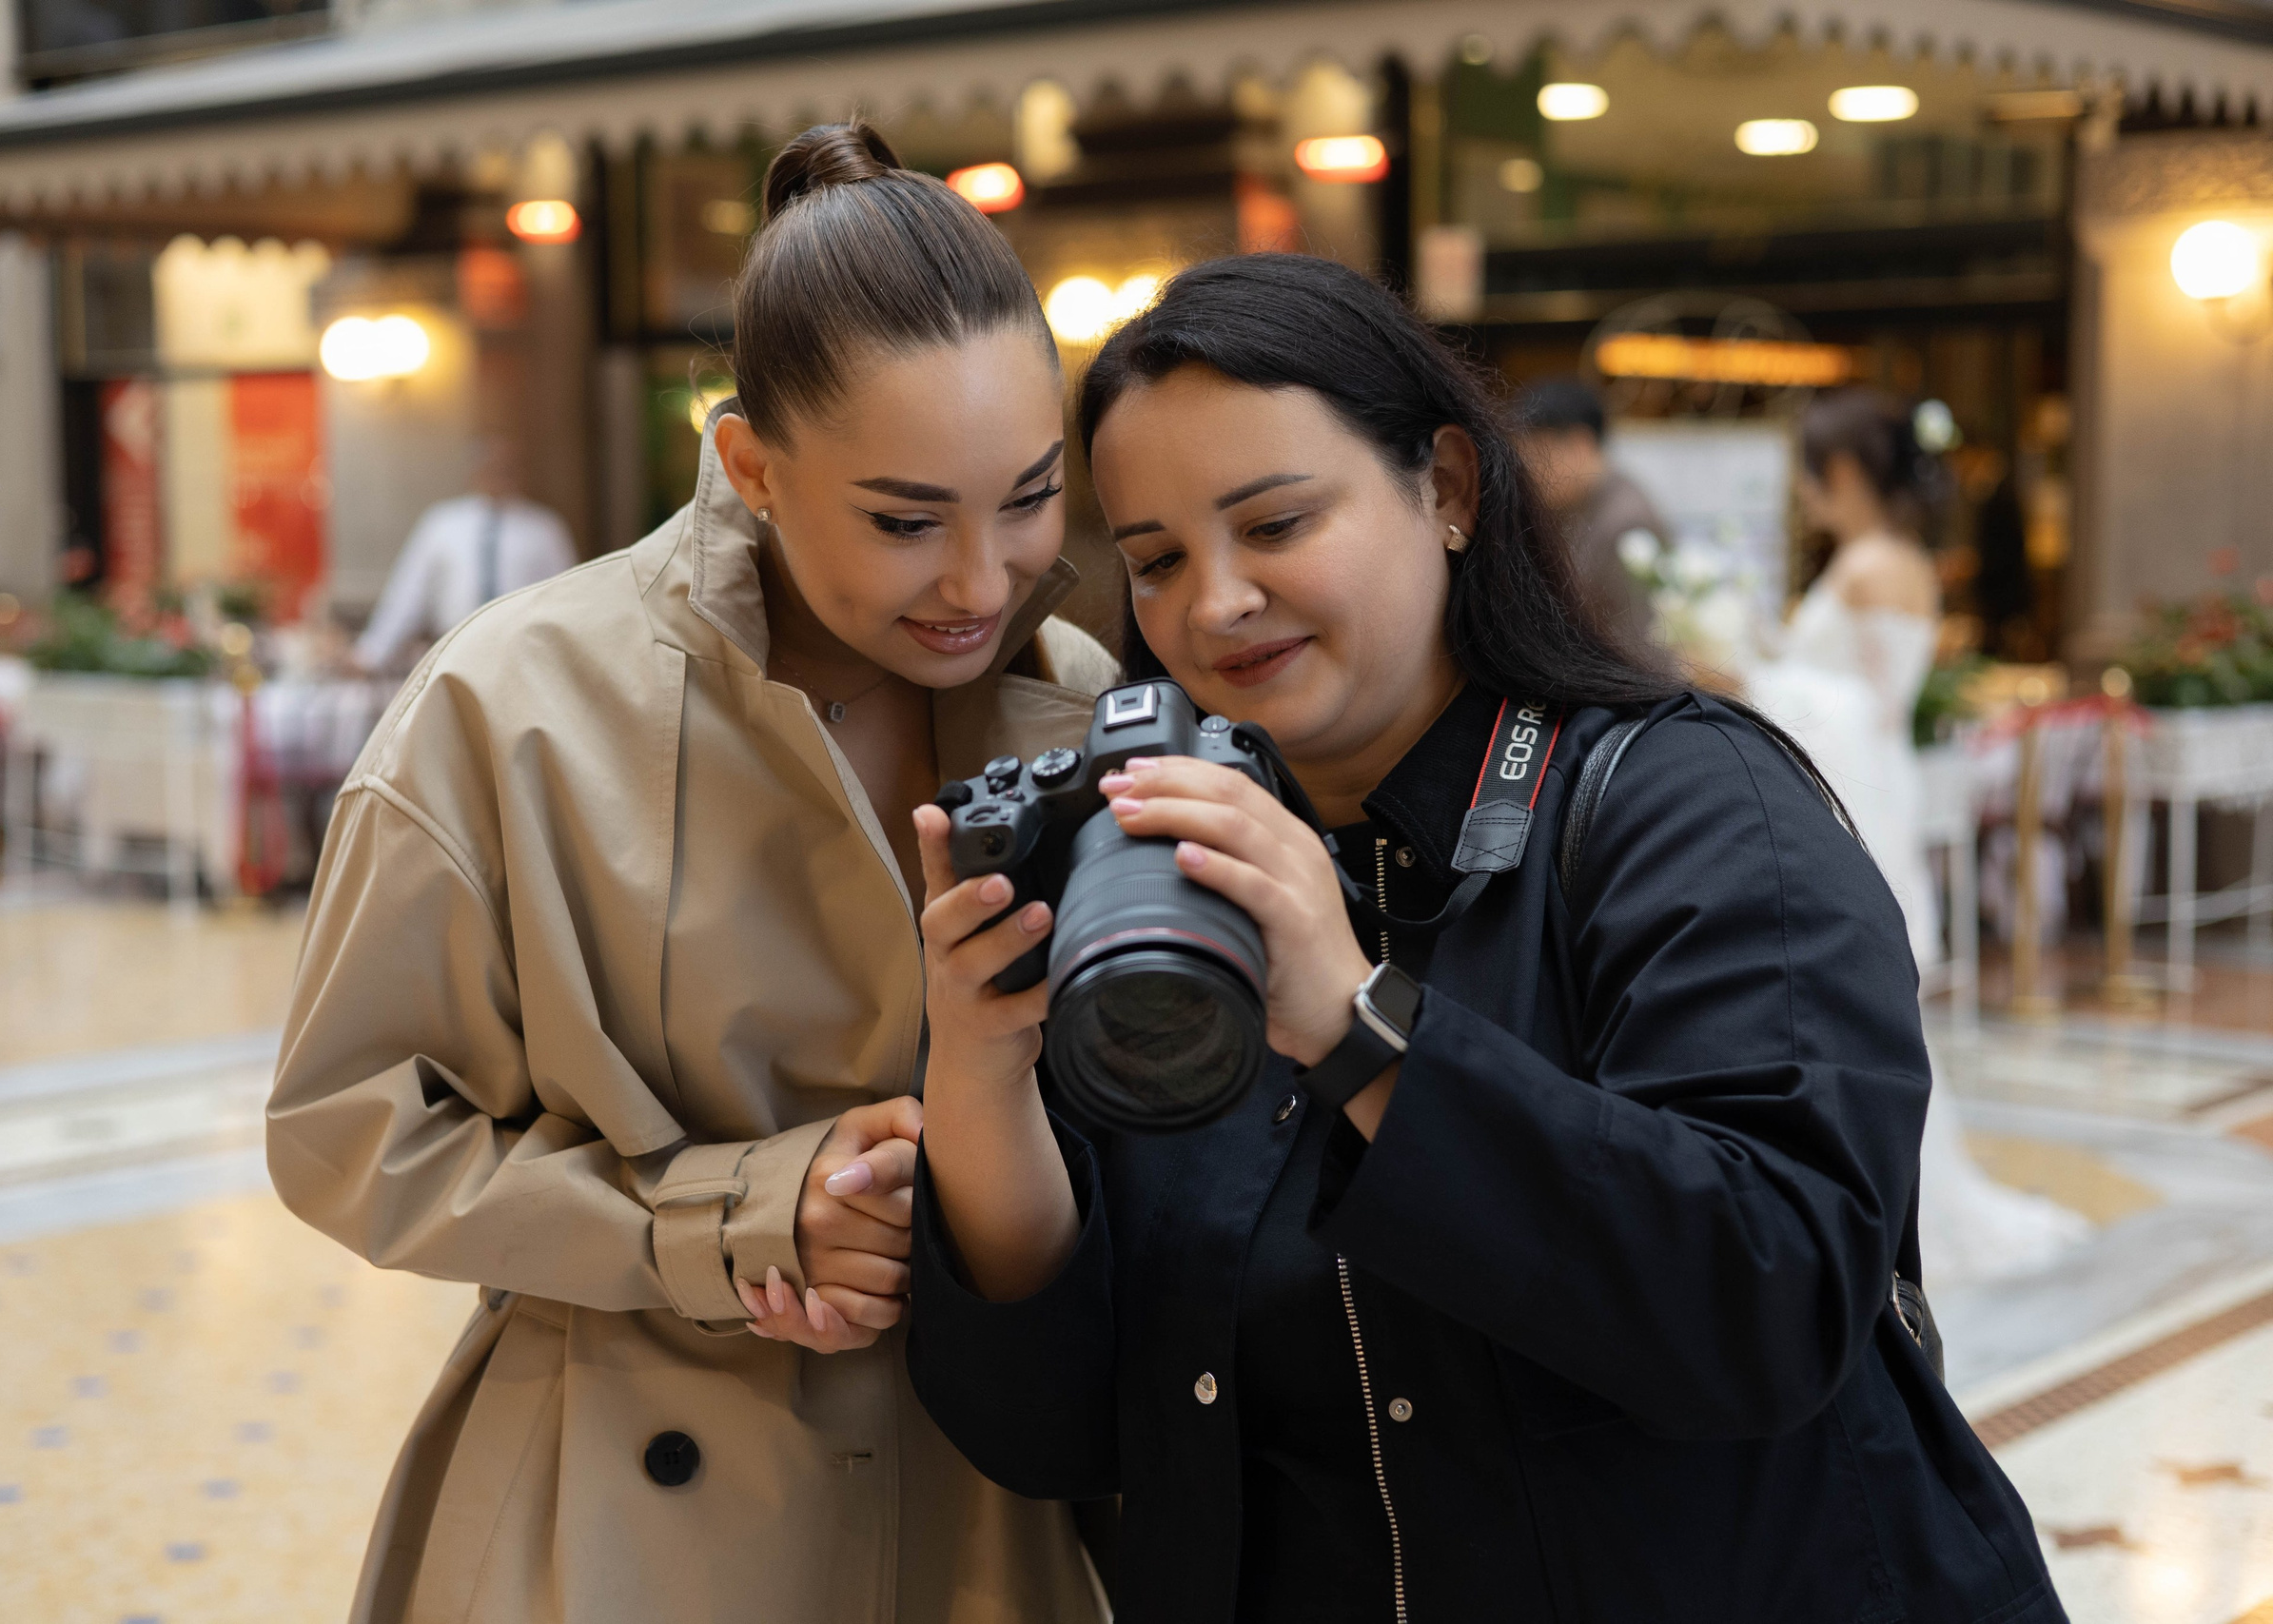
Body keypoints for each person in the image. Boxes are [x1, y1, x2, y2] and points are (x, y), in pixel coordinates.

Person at [889, 256, 2064, 1624]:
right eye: (1155, 559)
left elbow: (1772, 1296)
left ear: (1447, 485)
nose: (1213, 604)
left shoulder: (1687, 804)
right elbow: (1057, 1431)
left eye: (1274, 524)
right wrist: (974, 1069)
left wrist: (1359, 1020)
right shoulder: (1167, 881)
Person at [268, 122, 1113, 1624]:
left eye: (1033, 496)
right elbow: (348, 1128)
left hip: (998, 1497)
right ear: (750, 462)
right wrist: (727, 1211)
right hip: (625, 1524)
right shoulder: (513, 703)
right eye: (907, 519)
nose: (983, 581)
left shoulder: (1077, 686)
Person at [1752, 388, 2087, 1289]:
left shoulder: (1868, 565)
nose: (1807, 492)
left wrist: (1753, 676)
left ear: (1848, 472)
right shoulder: (1897, 557)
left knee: (1870, 1002)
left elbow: (1870, 705)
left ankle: (1901, 1205)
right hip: (1878, 781)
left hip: (1863, 783)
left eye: (1814, 473)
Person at [350, 437, 578, 675]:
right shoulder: (442, 523)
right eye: (491, 467)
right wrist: (370, 654)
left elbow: (564, 597)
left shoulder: (544, 529)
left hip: (521, 657)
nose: (498, 475)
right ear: (476, 471)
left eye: (506, 468)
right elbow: (409, 592)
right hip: (453, 652)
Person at [1516, 374, 1669, 650]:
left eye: (1538, 455)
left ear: (1580, 445)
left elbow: (1638, 642)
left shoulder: (1626, 521)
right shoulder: (1577, 503)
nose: (1530, 471)